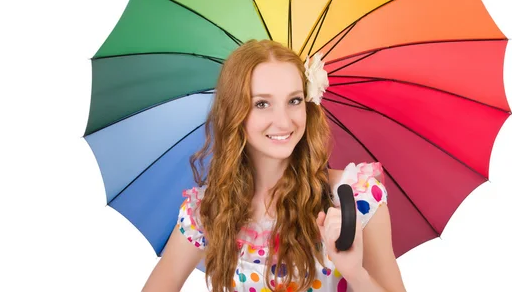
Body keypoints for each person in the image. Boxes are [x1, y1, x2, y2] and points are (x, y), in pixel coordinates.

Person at [142, 39, 406, 292]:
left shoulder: (353, 200)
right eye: (262, 104)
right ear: (236, 113)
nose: (283, 122)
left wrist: (355, 274)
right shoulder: (208, 211)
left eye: (294, 100)